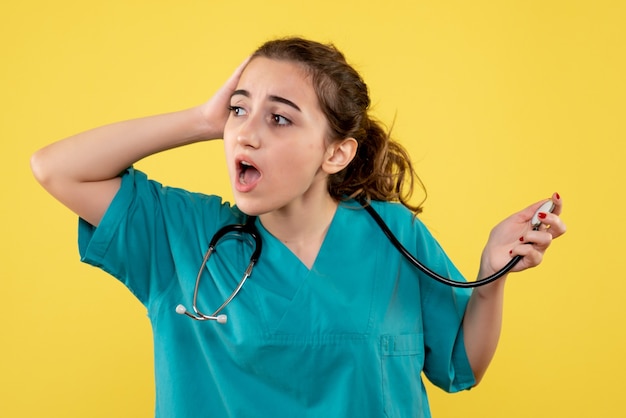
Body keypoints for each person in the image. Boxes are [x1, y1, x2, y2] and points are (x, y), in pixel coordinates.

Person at [31, 37, 566, 417]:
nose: (246, 134)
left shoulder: (390, 233)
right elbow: (56, 168)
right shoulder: (182, 236)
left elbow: (460, 367)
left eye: (279, 118)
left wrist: (492, 276)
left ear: (336, 152)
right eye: (238, 112)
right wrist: (200, 119)